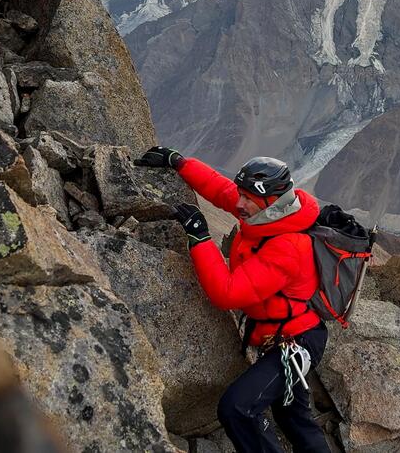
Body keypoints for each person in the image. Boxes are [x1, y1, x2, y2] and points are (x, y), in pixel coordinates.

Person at [135, 146, 331, 453]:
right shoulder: (267, 214)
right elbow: (222, 190)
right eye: (242, 194)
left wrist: (200, 239)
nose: (239, 203)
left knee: (237, 408)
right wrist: (180, 162)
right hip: (283, 335)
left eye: (247, 198)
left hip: (297, 341)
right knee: (292, 416)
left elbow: (227, 293)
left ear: (271, 201)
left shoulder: (288, 247)